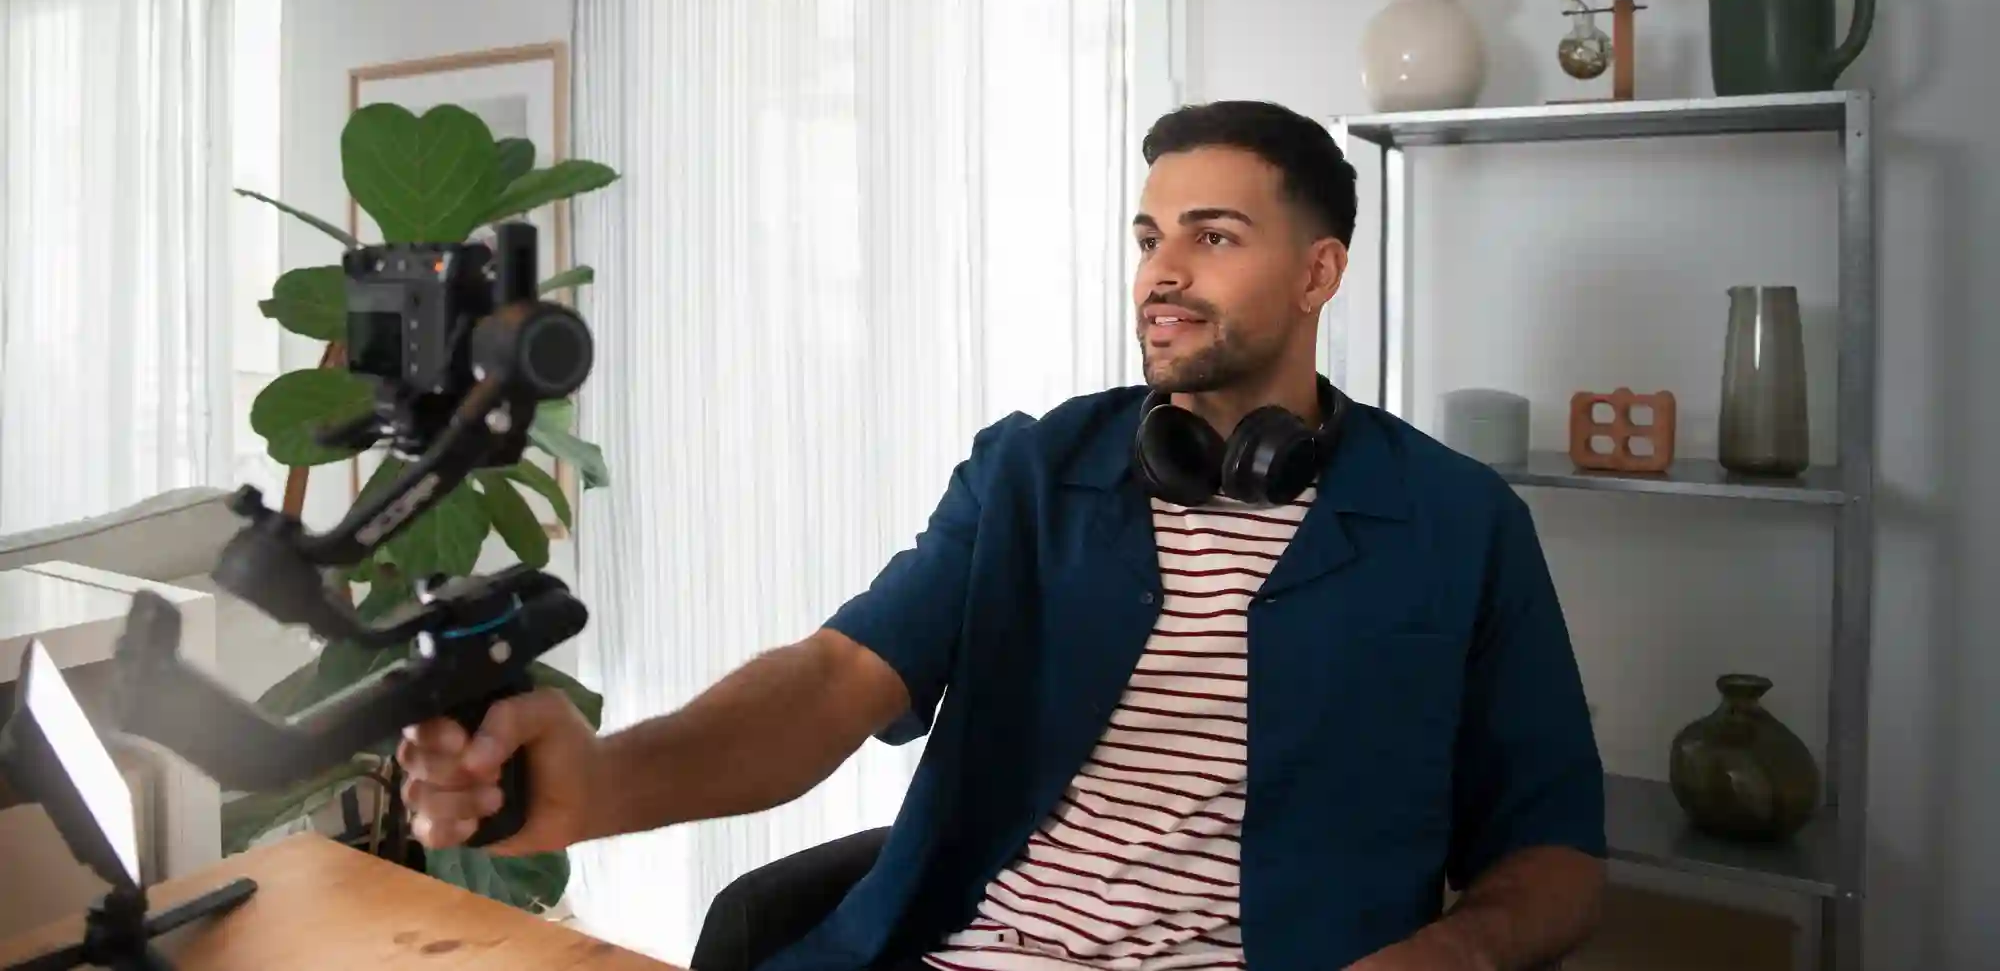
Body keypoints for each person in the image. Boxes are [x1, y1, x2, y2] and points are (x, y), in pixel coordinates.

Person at [400, 99, 1607, 971]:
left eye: (1214, 236)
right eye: (1148, 238)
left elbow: (1553, 853)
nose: (1161, 273)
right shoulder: (1034, 469)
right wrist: (602, 781)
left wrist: (1454, 956)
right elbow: (828, 681)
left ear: (1317, 272)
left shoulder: (1456, 523)